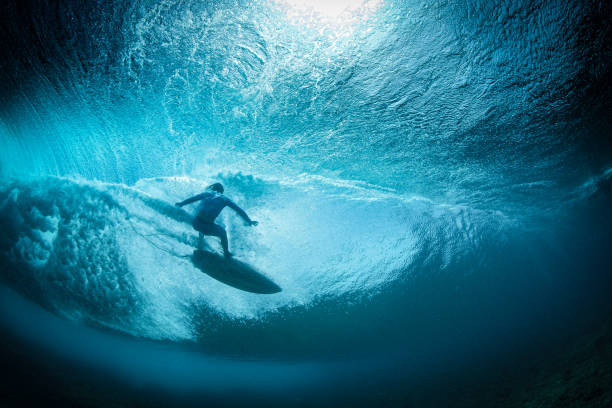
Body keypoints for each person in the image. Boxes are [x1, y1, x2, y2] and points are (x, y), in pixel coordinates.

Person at [175, 183, 258, 257]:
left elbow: (193, 199)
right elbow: (239, 210)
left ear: (213, 189)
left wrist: (181, 203)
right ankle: (226, 253)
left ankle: (201, 239)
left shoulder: (207, 193)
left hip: (196, 223)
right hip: (207, 227)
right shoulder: (225, 199)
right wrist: (249, 221)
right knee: (223, 233)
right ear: (222, 191)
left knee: (201, 215)